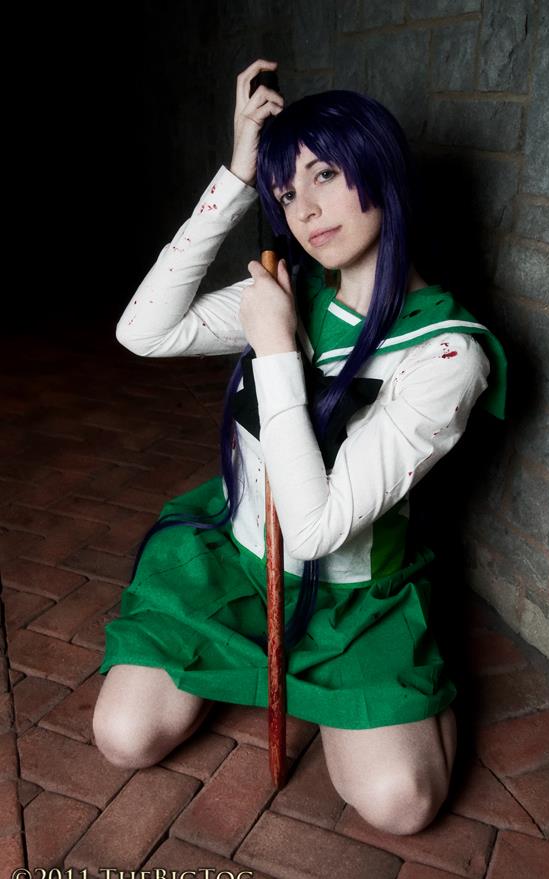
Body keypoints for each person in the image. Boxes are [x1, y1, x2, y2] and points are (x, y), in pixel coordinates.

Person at [93, 59, 507, 835]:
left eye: (325, 174)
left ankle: (398, 693)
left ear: (380, 169)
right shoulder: (292, 293)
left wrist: (277, 352)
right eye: (286, 192)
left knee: (400, 806)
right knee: (124, 737)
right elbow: (143, 331)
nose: (306, 208)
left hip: (353, 598)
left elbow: (317, 530)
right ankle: (245, 662)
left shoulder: (448, 354)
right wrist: (237, 176)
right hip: (238, 566)